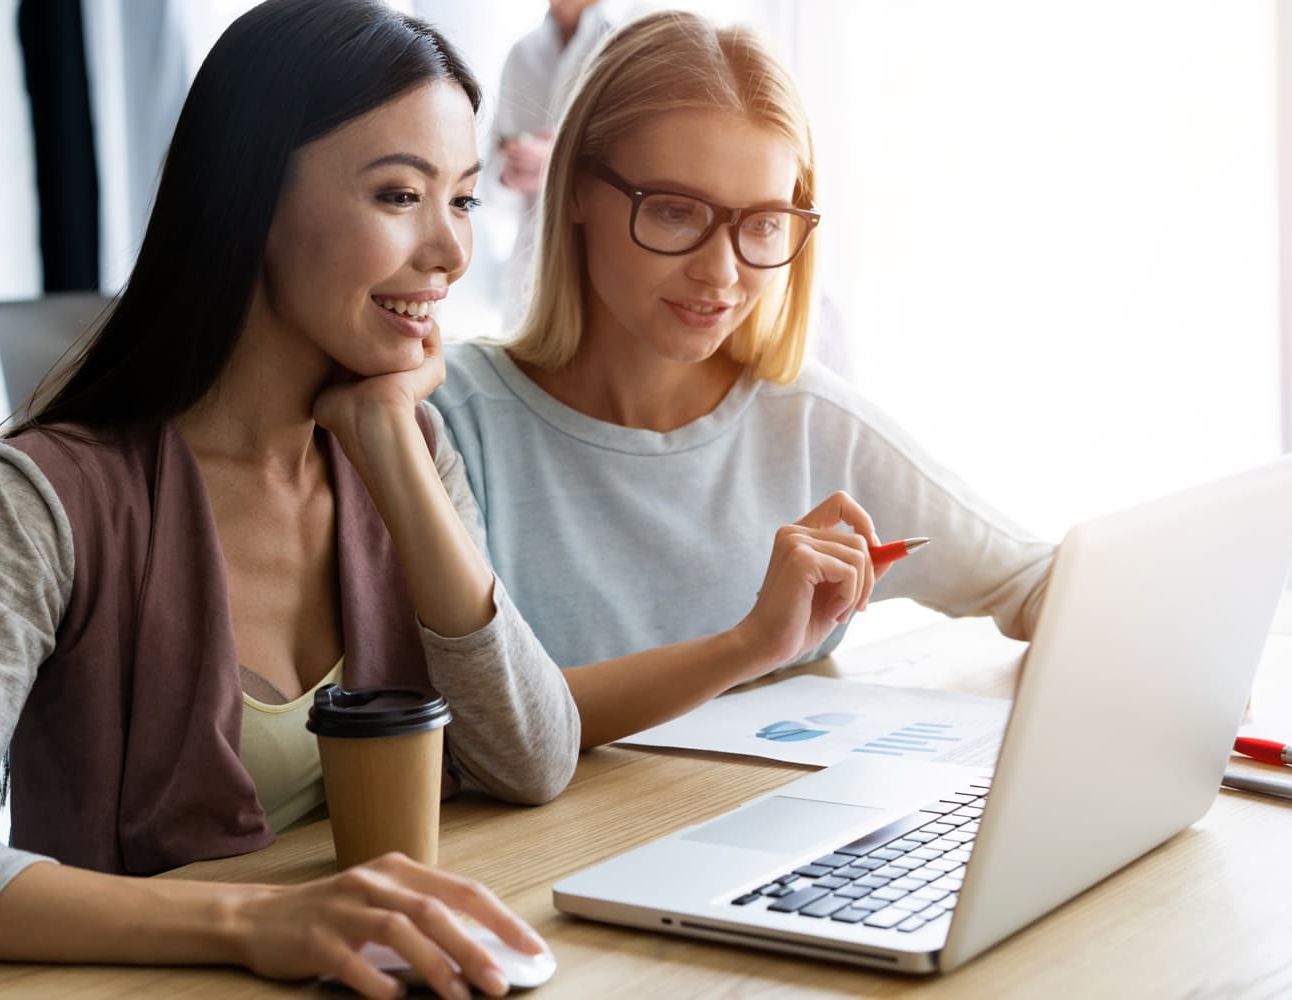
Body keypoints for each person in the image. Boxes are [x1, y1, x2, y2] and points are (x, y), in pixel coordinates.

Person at [0, 2, 572, 996]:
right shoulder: (52, 491)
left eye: (461, 199)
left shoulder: (405, 443)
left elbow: (534, 758)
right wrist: (252, 920)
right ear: (251, 199)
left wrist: (394, 450)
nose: (452, 252)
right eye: (399, 194)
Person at [431, 11, 1055, 748]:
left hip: (781, 843)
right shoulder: (451, 421)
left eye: (763, 223)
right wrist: (751, 644)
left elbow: (1037, 583)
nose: (721, 273)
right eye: (672, 211)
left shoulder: (809, 422)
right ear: (574, 191)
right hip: (528, 860)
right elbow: (489, 726)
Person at [489, 0, 621, 327]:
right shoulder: (521, 53)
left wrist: (560, 164)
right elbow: (488, 191)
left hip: (600, 286)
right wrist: (508, 175)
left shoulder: (637, 34)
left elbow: (654, 168)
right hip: (524, 289)